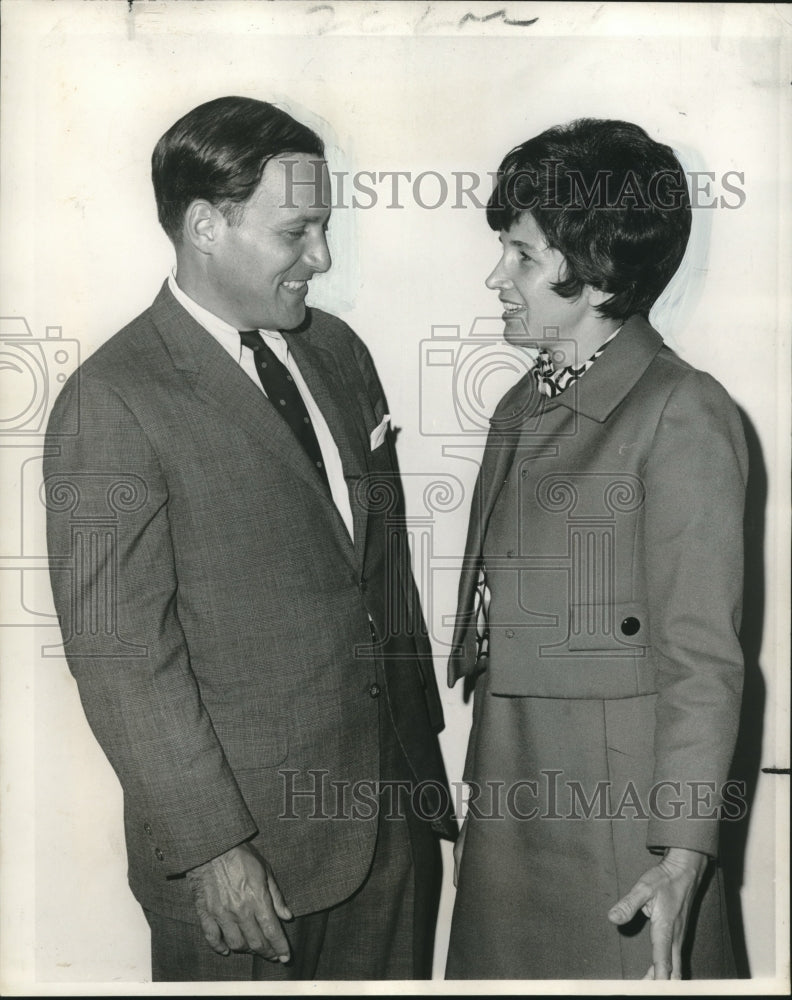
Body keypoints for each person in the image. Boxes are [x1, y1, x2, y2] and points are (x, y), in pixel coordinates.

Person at [44, 95, 456, 982]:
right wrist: (214, 849)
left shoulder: (337, 351)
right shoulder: (113, 402)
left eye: (326, 227)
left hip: (392, 830)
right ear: (204, 226)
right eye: (297, 231)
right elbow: (121, 657)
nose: (324, 257)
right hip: (249, 871)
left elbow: (374, 574)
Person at [445, 118, 746, 980]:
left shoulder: (683, 411)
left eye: (522, 255)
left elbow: (704, 659)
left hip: (618, 830)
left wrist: (683, 854)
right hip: (512, 795)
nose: (495, 275)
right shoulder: (520, 402)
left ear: (596, 272)